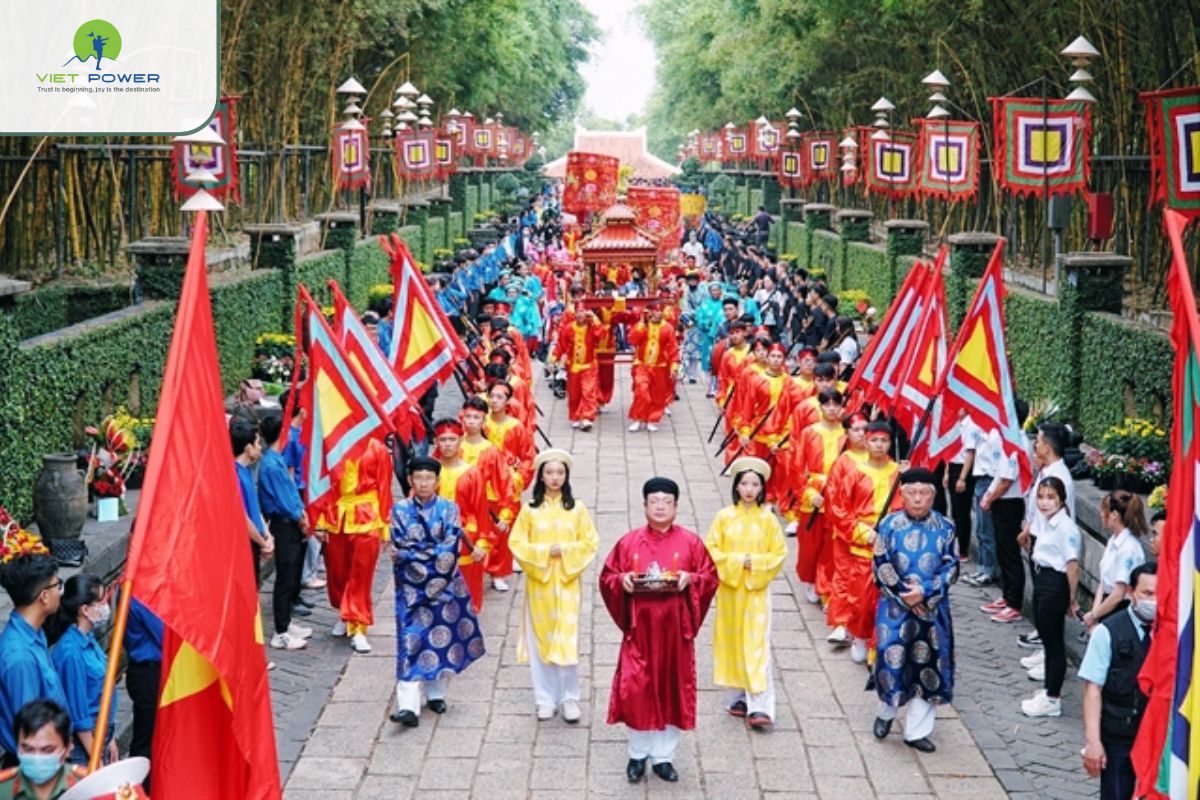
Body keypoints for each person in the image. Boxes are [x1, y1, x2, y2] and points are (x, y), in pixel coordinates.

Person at [599, 477, 719, 784]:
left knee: (672, 687)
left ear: (677, 506)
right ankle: (638, 753)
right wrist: (623, 580)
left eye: (667, 501)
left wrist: (690, 579)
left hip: (675, 631)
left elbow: (710, 576)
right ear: (644, 506)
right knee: (636, 687)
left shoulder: (691, 542)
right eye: (655, 501)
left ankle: (665, 756)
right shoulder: (629, 542)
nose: (661, 506)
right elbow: (607, 577)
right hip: (640, 629)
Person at [388, 457, 486, 728]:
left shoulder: (449, 509)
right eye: (418, 478)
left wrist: (412, 555)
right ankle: (408, 707)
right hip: (410, 590)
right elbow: (399, 544)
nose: (423, 483)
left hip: (445, 585)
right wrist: (416, 556)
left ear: (437, 481)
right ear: (410, 481)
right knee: (410, 642)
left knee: (441, 638)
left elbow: (448, 550)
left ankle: (436, 694)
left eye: (428, 478)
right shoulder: (399, 510)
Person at [871, 468, 959, 753]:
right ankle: (886, 711)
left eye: (924, 494)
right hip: (895, 609)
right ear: (902, 494)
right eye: (912, 493)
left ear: (933, 496)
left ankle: (916, 730)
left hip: (932, 610)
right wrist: (901, 594)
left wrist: (927, 592)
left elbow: (952, 567)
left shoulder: (946, 527)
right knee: (891, 659)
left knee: (929, 665)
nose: (918, 499)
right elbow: (880, 562)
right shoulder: (889, 525)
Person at [508, 450, 599, 722]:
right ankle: (545, 698)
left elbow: (590, 542)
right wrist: (545, 553)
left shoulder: (577, 509)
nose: (555, 478)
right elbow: (517, 544)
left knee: (567, 639)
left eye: (560, 473)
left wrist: (567, 550)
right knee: (541, 640)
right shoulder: (530, 510)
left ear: (567, 476)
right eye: (549, 472)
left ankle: (570, 697)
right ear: (541, 476)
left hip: (568, 581)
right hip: (540, 581)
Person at [705, 458, 787, 731]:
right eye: (744, 483)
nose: (749, 489)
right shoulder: (724, 517)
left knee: (756, 644)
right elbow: (710, 550)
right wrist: (738, 561)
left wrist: (757, 564)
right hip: (730, 591)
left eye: (755, 484)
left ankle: (760, 705)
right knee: (731, 639)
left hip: (756, 591)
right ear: (736, 487)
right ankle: (737, 696)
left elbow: (778, 554)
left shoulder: (768, 520)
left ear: (762, 488)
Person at [825, 420, 902, 663]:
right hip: (861, 543)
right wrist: (861, 531)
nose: (879, 445)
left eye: (884, 440)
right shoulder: (855, 472)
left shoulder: (898, 474)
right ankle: (858, 635)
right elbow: (839, 508)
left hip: (889, 545)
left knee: (886, 599)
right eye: (874, 440)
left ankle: (878, 643)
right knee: (861, 598)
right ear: (866, 441)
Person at [1079, 563, 1157, 800]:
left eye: (1161, 594)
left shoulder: (1172, 633)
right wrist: (1093, 743)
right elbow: (1092, 689)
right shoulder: (1108, 632)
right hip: (1119, 738)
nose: (1155, 601)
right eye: (1147, 594)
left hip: (1157, 740)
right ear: (1131, 593)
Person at [311, 435, 393, 654]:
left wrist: (385, 524)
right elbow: (320, 485)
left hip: (366, 516)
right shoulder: (330, 445)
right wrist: (319, 520)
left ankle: (358, 626)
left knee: (361, 574)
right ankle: (344, 612)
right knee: (336, 571)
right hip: (335, 514)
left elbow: (385, 487)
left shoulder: (377, 448)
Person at [0, 535, 67, 768]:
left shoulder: (35, 635)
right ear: (43, 596)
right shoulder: (20, 657)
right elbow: (31, 732)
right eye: (57, 584)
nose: (60, 591)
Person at [1017, 477, 1080, 717]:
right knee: (1045, 635)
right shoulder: (1045, 521)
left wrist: (1071, 598)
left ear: (1062, 499)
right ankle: (1047, 690)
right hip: (1042, 577)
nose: (1044, 502)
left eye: (1050, 497)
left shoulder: (1066, 528)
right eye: (1041, 497)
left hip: (1055, 583)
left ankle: (1053, 698)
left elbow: (1072, 566)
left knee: (1054, 644)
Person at [257, 414, 313, 651]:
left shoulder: (275, 460)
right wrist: (300, 517)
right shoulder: (271, 464)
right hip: (284, 523)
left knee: (291, 575)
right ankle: (280, 630)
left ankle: (287, 623)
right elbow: (284, 500)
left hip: (290, 520)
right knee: (285, 576)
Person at [48, 577, 116, 767]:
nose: (105, 605)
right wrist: (96, 760)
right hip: (85, 744)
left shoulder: (88, 639)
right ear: (85, 610)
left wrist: (110, 739)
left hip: (101, 732)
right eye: (101, 601)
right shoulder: (70, 652)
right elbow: (78, 714)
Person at [790, 390, 847, 602]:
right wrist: (808, 492)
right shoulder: (809, 432)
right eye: (827, 404)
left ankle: (826, 587)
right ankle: (811, 579)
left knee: (830, 546)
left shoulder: (847, 435)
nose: (832, 408)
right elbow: (796, 467)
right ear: (820, 407)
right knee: (810, 544)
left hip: (839, 496)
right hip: (814, 492)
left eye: (836, 404)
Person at [458, 397, 519, 593]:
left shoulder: (490, 451)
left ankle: (497, 573)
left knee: (492, 537)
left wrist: (506, 511)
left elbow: (503, 480)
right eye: (468, 417)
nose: (471, 421)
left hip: (486, 500)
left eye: (476, 417)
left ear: (484, 421)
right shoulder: (454, 445)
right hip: (457, 501)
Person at [431, 418, 492, 611]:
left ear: (460, 440)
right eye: (443, 439)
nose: (447, 444)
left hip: (466, 538)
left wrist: (482, 542)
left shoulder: (472, 473)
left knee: (467, 591)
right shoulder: (429, 473)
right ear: (436, 442)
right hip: (434, 538)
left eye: (452, 439)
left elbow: (481, 510)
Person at [1083, 491, 1148, 631]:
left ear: (1114, 515)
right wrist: (1095, 615)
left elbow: (1119, 594)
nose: (1101, 514)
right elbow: (1103, 582)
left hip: (1120, 609)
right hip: (1106, 605)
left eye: (1104, 510)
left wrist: (1094, 615)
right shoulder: (1114, 541)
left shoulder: (1129, 548)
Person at [0, 700, 86, 798]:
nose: (37, 757)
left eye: (48, 750)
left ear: (67, 748)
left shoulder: (86, 786)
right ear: (17, 746)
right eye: (28, 749)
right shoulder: (3, 788)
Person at [121, 597, 160, 793]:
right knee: (144, 742)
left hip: (152, 670)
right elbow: (163, 633)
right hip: (147, 673)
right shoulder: (140, 596)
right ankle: (139, 791)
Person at [231, 419, 274, 588]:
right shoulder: (234, 475)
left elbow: (254, 506)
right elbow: (243, 517)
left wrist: (266, 534)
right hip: (246, 544)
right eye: (257, 443)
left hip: (257, 540)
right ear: (248, 448)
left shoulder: (247, 471)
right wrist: (264, 543)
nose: (260, 447)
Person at [627, 304, 680, 433]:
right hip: (642, 365)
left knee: (657, 395)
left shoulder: (668, 328)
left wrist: (674, 365)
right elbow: (631, 340)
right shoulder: (644, 325)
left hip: (659, 367)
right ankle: (638, 418)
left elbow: (673, 348)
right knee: (642, 390)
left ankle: (651, 419)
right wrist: (641, 325)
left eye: (658, 311)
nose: (656, 314)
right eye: (653, 311)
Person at [554, 308, 605, 431]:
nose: (580, 315)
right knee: (574, 393)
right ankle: (576, 416)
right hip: (573, 367)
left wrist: (595, 318)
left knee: (588, 392)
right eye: (578, 312)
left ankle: (586, 418)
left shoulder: (592, 327)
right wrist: (554, 358)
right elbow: (561, 344)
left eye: (583, 312)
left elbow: (602, 334)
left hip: (589, 367)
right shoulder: (569, 328)